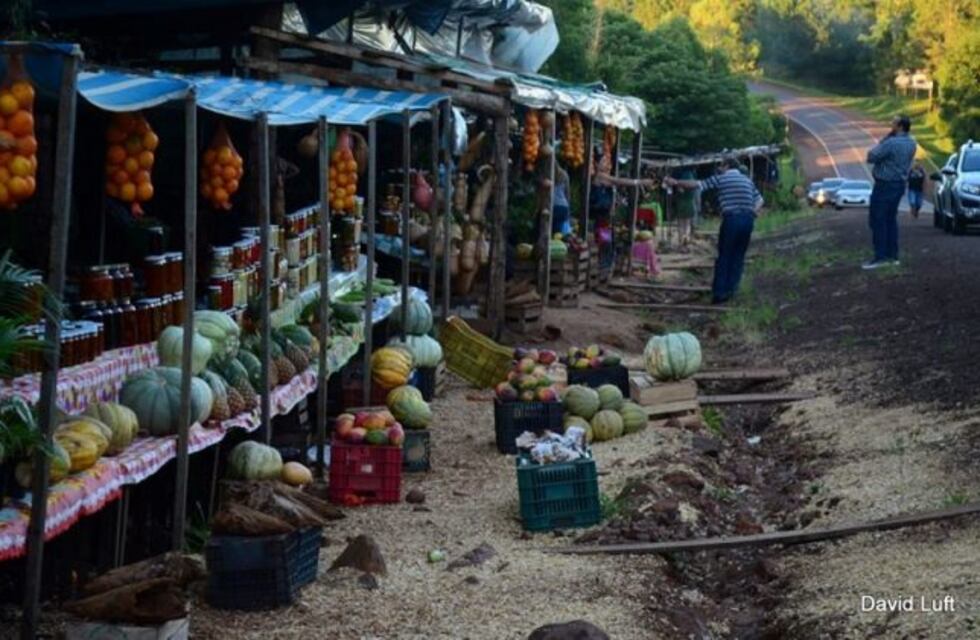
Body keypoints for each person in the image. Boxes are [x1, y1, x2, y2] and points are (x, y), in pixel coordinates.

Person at [665, 160, 763, 304]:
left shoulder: (722, 178)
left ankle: (719, 293)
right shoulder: (747, 180)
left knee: (725, 255)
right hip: (748, 221)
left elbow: (697, 185)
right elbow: (760, 199)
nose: (718, 169)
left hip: (732, 219)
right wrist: (753, 212)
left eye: (720, 166)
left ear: (727, 166)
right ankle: (732, 290)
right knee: (738, 256)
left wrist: (676, 182)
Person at [864, 115, 917, 269]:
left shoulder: (891, 142)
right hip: (899, 183)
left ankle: (880, 256)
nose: (891, 125)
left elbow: (871, 156)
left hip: (884, 184)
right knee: (890, 219)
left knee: (877, 219)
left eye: (893, 123)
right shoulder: (911, 143)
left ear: (900, 126)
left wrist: (884, 139)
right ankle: (892, 255)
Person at [672, 167, 697, 245]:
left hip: (681, 203)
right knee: (687, 223)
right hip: (690, 202)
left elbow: (679, 190)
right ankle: (686, 238)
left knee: (681, 223)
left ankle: (681, 240)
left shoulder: (680, 177)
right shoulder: (692, 176)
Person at [552, 166, 572, 235]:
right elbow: (567, 194)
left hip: (553, 205)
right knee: (558, 233)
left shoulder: (548, 175)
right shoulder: (564, 174)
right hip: (563, 206)